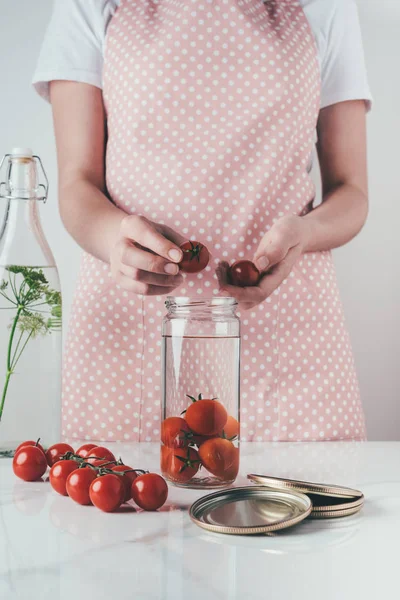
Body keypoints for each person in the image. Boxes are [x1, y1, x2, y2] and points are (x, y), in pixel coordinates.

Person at [33, 0, 372, 443]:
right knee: (138, 504)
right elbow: (77, 184)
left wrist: (305, 233)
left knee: (306, 505)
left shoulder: (324, 7)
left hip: (288, 337)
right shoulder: (90, 4)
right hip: (135, 332)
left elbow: (352, 192)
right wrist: (113, 239)